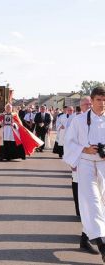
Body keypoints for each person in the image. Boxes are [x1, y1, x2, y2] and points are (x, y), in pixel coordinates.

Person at [63, 87, 105, 261]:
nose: (102, 103)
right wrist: (84, 149)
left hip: (103, 165)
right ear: (92, 100)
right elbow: (68, 142)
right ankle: (103, 247)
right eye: (99, 100)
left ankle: (85, 237)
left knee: (102, 204)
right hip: (86, 165)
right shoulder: (79, 120)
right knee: (93, 202)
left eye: (104, 100)